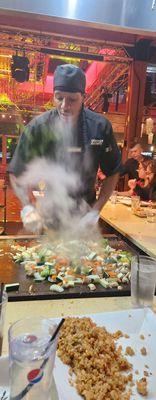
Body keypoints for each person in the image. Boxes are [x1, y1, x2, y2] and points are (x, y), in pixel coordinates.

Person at [8, 64, 121, 231]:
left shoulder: (99, 126)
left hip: (84, 213)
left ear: (83, 96)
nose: (64, 106)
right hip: (48, 213)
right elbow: (17, 172)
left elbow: (113, 171)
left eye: (72, 99)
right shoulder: (37, 128)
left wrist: (96, 210)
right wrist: (28, 205)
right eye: (59, 98)